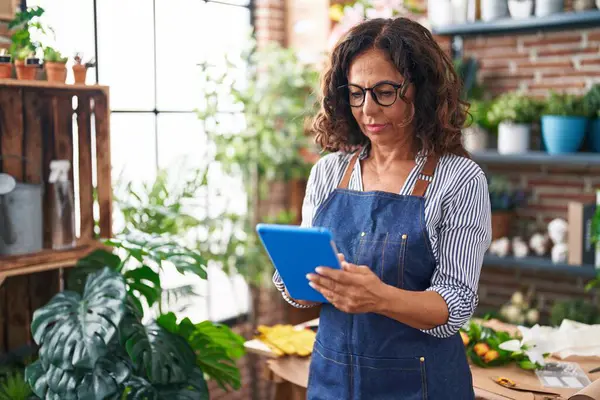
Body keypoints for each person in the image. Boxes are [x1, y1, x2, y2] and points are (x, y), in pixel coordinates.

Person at [272, 16, 492, 400]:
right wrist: (301, 279)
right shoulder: (328, 172)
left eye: (384, 91)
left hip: (421, 387)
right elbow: (300, 292)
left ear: (419, 89)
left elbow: (455, 303)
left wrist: (379, 298)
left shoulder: (459, 179)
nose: (368, 109)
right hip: (332, 382)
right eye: (356, 93)